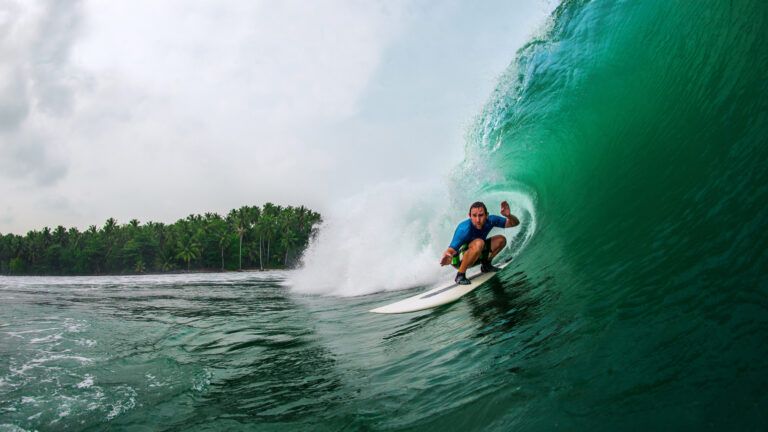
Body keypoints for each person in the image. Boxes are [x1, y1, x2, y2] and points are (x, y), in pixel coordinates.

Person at [440, 201, 520, 285]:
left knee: (501, 240)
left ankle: (486, 266)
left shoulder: (491, 220)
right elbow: (450, 250)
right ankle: (460, 275)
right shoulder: (464, 229)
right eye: (474, 216)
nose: (477, 220)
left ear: (487, 215)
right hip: (458, 261)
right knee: (479, 242)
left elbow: (514, 223)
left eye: (481, 215)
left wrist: (509, 216)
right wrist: (447, 257)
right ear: (469, 216)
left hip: (477, 251)